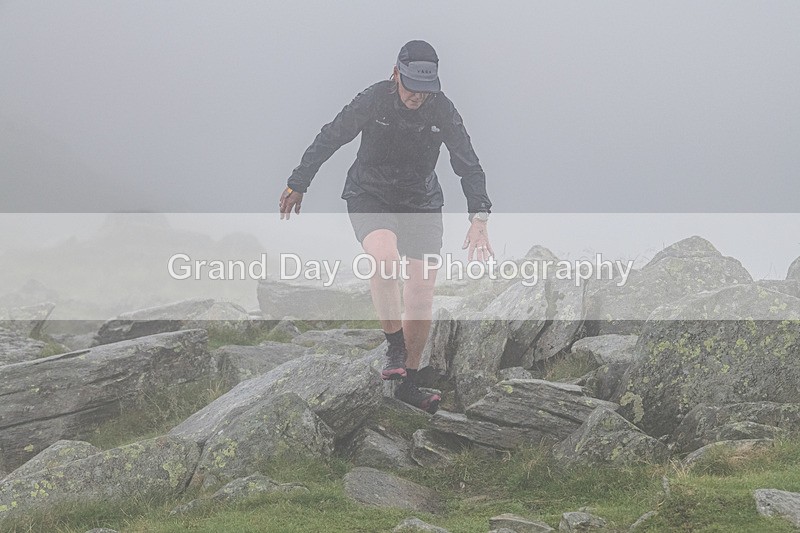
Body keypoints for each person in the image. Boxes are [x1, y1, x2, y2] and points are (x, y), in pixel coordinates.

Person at [278, 40, 494, 414]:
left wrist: (479, 217)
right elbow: (331, 136)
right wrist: (299, 182)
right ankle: (394, 346)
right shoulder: (374, 99)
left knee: (422, 292)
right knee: (384, 259)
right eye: (411, 87)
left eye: (425, 89)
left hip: (421, 201)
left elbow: (468, 163)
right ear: (396, 74)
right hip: (371, 193)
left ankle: (408, 382)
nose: (417, 96)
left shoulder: (442, 109)